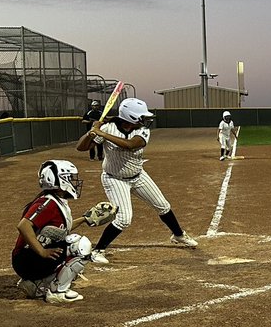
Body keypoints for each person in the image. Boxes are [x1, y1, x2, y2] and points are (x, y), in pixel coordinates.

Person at [76, 97, 197, 263]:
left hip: (138, 176)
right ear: (130, 116)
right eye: (141, 116)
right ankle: (98, 251)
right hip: (115, 179)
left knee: (163, 206)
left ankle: (178, 235)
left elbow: (131, 145)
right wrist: (91, 132)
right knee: (124, 219)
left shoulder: (142, 131)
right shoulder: (108, 127)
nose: (144, 120)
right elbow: (81, 147)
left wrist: (102, 133)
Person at [13, 159, 93, 304]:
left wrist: (85, 219)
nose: (74, 182)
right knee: (79, 246)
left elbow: (61, 230)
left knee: (70, 245)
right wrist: (42, 252)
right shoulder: (48, 203)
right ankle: (57, 292)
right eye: (70, 178)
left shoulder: (55, 201)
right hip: (26, 260)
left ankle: (36, 285)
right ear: (60, 181)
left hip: (27, 259)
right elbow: (23, 226)